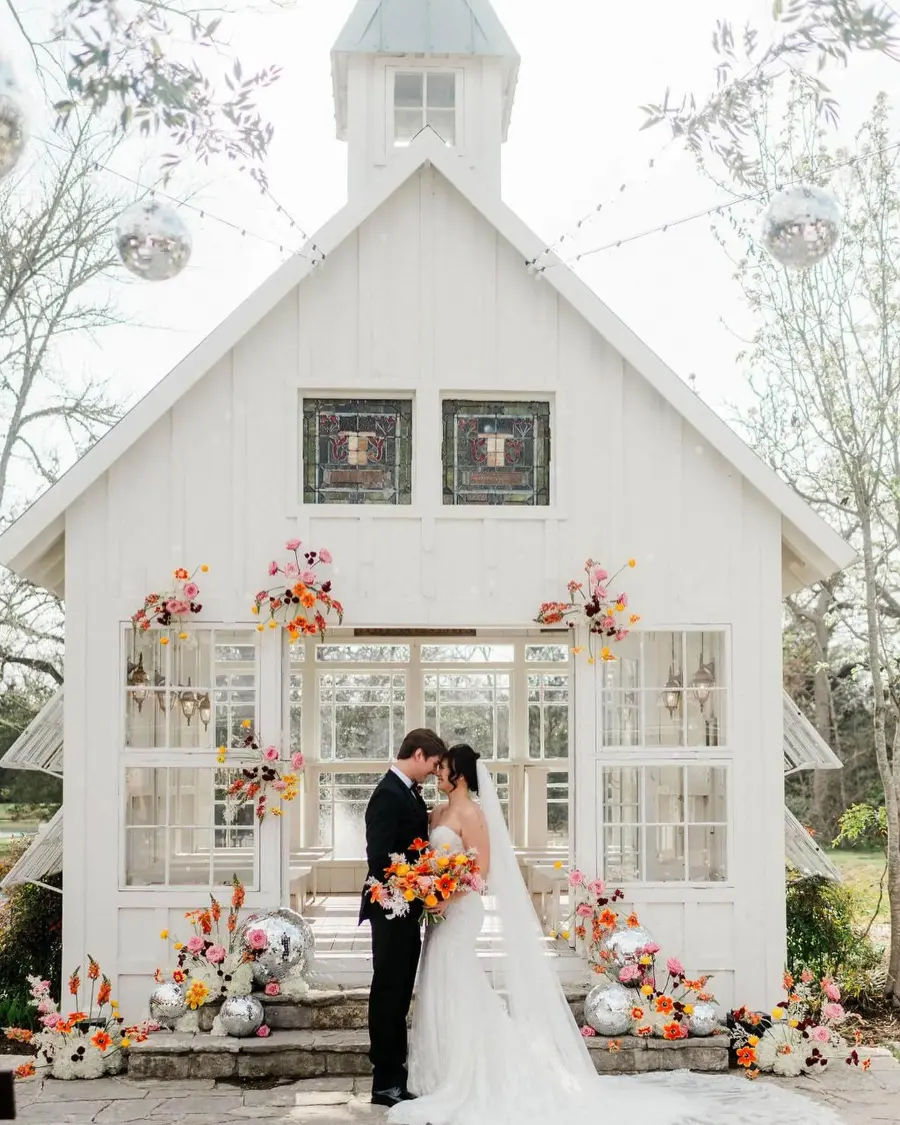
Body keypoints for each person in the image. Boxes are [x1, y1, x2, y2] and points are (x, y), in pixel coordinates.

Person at [386, 743, 847, 1125]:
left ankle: (471, 1073)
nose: (438, 774)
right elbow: (428, 855)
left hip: (459, 913)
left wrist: (449, 894)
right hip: (438, 912)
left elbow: (481, 871)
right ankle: (439, 1071)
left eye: (444, 769)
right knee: (439, 983)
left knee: (458, 980)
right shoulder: (437, 810)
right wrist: (426, 885)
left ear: (461, 775)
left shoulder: (474, 815)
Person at [360, 727, 446, 1108]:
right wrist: (417, 883)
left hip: (406, 909)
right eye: (432, 764)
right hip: (390, 909)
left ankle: (395, 1075)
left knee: (397, 994)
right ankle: (385, 1082)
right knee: (389, 995)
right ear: (417, 754)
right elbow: (379, 860)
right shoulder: (386, 795)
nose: (432, 771)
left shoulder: (406, 791)